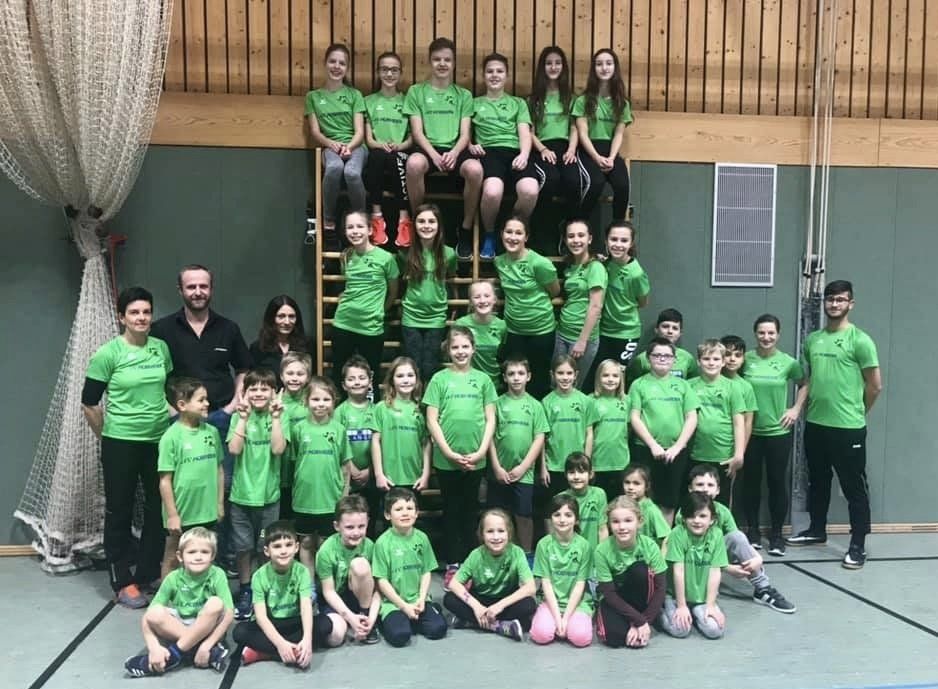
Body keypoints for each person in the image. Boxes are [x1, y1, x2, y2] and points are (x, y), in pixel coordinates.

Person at [150, 264, 252, 570]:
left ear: (211, 289)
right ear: (180, 290)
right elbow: (155, 375)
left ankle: (221, 558)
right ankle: (181, 561)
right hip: (179, 423)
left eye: (203, 286)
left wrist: (233, 405)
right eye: (191, 286)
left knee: (224, 488)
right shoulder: (162, 329)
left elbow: (244, 368)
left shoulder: (228, 329)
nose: (198, 292)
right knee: (182, 487)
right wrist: (171, 410)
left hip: (220, 419)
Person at [82, 286, 172, 608]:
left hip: (158, 441)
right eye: (134, 312)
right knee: (119, 511)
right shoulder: (108, 354)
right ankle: (121, 579)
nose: (141, 317)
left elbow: (166, 392)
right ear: (122, 317)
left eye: (146, 312)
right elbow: (89, 403)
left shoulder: (161, 348)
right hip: (120, 442)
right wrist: (107, 437)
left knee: (157, 508)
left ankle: (148, 571)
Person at [786, 280, 882, 571]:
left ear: (850, 304)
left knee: (854, 487)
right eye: (830, 299)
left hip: (848, 428)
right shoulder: (813, 340)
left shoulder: (860, 340)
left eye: (841, 300)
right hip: (816, 424)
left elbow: (875, 386)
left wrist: (858, 412)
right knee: (818, 481)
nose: (834, 304)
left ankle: (857, 544)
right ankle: (817, 530)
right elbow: (809, 379)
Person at [424, 326, 497, 581]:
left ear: (473, 349)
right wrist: (448, 452)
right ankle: (453, 564)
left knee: (470, 512)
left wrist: (480, 451)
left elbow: (490, 419)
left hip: (476, 459)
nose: (460, 351)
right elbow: (432, 419)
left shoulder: (484, 380)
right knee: (451, 512)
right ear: (448, 350)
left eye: (465, 346)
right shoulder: (439, 379)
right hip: (447, 461)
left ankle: (470, 564)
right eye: (455, 347)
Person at [404, 36, 482, 260]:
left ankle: (465, 228)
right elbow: (417, 132)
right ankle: (418, 222)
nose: (442, 64)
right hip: (428, 148)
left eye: (447, 59)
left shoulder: (464, 95)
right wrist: (434, 155)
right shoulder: (416, 92)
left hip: (455, 148)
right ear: (429, 61)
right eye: (437, 59)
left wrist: (454, 153)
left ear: (454, 63)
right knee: (413, 164)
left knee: (475, 170)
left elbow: (465, 134)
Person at [123, 527, 233, 677]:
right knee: (155, 612)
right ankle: (198, 650)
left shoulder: (217, 574)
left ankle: (173, 656)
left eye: (204, 552)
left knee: (216, 603)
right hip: (180, 626)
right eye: (192, 552)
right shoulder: (173, 578)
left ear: (212, 555)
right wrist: (154, 648)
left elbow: (229, 613)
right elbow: (148, 616)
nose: (198, 557)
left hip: (208, 628)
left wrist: (207, 644)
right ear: (180, 556)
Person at [686, 465, 796, 613]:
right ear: (690, 489)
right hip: (693, 565)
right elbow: (690, 554)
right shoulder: (685, 514)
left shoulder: (723, 512)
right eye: (700, 484)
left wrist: (758, 558)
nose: (705, 489)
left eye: (710, 485)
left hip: (715, 557)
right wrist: (727, 568)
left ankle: (763, 589)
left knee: (736, 536)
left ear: (718, 490)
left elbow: (739, 540)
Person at [742, 314, 808, 556]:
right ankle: (752, 531)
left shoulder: (788, 362)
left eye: (771, 333)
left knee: (777, 483)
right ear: (755, 334)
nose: (766, 337)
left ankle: (777, 534)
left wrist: (795, 409)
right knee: (750, 483)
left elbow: (805, 383)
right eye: (762, 332)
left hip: (778, 433)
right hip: (750, 433)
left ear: (778, 335)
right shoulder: (745, 359)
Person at [226, 369, 287, 621]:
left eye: (265, 388)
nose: (259, 393)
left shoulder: (280, 417)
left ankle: (263, 587)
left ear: (274, 392)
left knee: (264, 546)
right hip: (241, 497)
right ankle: (246, 588)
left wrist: (276, 418)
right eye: (253, 388)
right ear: (245, 392)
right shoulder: (238, 417)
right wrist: (242, 418)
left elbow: (278, 449)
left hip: (268, 498)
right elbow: (234, 449)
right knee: (243, 548)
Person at [470, 52, 540, 259]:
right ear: (483, 75)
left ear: (507, 76)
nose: (494, 75)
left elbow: (525, 133)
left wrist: (524, 155)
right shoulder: (473, 103)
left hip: (515, 152)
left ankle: (510, 228)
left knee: (530, 191)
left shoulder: (518, 103)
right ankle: (490, 233)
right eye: (490, 71)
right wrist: (472, 146)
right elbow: (464, 134)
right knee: (492, 193)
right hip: (489, 153)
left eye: (499, 71)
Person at [158, 378, 225, 579]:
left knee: (205, 555)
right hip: (182, 512)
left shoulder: (212, 432)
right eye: (201, 400)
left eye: (206, 399)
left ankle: (201, 593)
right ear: (182, 405)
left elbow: (219, 470)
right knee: (173, 556)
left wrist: (219, 503)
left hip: (208, 511)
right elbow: (165, 480)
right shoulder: (171, 437)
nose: (207, 403)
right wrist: (172, 515)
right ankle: (168, 596)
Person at [628, 337, 699, 523]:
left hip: (675, 452)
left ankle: (664, 539)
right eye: (657, 355)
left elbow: (692, 417)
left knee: (669, 501)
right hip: (646, 449)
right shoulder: (638, 384)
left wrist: (677, 447)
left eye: (667, 356)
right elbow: (634, 417)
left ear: (674, 360)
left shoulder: (683, 385)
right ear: (648, 358)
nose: (662, 359)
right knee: (643, 499)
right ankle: (644, 538)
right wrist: (653, 445)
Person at [289, 376, 352, 579]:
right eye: (315, 399)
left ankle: (327, 584)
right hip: (304, 498)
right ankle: (309, 586)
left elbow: (345, 466)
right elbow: (294, 460)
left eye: (326, 399)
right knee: (306, 542)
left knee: (326, 544)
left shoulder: (339, 430)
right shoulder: (298, 429)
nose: (320, 404)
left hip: (330, 498)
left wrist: (344, 495)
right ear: (306, 401)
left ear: (333, 402)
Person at [330, 210, 400, 389]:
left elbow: (393, 292)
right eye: (350, 227)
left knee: (370, 377)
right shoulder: (346, 256)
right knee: (340, 375)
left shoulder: (386, 258)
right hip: (343, 324)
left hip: (371, 328)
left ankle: (370, 408)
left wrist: (380, 310)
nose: (355, 231)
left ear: (369, 230)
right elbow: (350, 286)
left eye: (359, 226)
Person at [444, 508, 537, 641]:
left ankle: (471, 622)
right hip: (481, 599)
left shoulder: (517, 553)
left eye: (501, 531)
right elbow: (453, 584)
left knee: (529, 604)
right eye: (490, 531)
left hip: (505, 601)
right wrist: (477, 607)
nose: (496, 537)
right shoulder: (476, 555)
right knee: (449, 599)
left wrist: (500, 605)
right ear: (482, 534)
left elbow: (531, 587)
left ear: (509, 532)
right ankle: (498, 626)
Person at [488, 356, 549, 557]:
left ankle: (526, 554)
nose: (516, 378)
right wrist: (496, 467)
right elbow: (489, 437)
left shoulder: (535, 406)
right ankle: (503, 555)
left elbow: (539, 438)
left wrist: (523, 467)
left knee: (523, 515)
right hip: (499, 472)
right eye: (511, 374)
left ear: (528, 376)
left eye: (521, 373)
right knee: (499, 517)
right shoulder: (497, 404)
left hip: (525, 473)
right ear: (504, 377)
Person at [232, 521, 317, 666]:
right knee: (240, 632)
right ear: (267, 551)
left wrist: (307, 639)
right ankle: (290, 650)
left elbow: (306, 607)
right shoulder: (259, 576)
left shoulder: (302, 571)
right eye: (277, 546)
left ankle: (264, 653)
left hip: (294, 621)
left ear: (296, 547)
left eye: (288, 545)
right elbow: (261, 617)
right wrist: (280, 643)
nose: (284, 551)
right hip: (272, 623)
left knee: (326, 625)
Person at [494, 216, 561, 399]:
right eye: (509, 232)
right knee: (514, 378)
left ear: (526, 237)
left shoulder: (540, 263)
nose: (513, 237)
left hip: (541, 331)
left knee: (538, 380)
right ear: (502, 234)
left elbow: (554, 291)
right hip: (514, 331)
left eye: (518, 233)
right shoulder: (499, 262)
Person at [373, 487, 448, 646]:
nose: (405, 513)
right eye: (398, 509)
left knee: (439, 629)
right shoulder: (382, 543)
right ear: (387, 515)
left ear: (416, 513)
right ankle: (390, 620)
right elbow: (381, 581)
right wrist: (403, 606)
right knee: (400, 636)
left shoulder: (422, 538)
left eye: (409, 508)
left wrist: (421, 598)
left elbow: (426, 571)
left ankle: (419, 615)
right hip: (394, 604)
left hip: (418, 600)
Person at [305, 43, 367, 237]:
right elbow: (315, 131)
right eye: (333, 61)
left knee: (352, 173)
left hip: (356, 146)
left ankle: (361, 219)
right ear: (325, 63)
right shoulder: (313, 97)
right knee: (334, 168)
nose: (337, 66)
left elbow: (360, 132)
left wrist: (349, 147)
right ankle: (328, 220)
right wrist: (331, 144)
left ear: (347, 68)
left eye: (342, 63)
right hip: (330, 146)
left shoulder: (354, 95)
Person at [594, 497, 667, 648]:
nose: (622, 527)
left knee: (639, 569)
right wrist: (639, 621)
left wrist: (644, 621)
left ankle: (644, 616)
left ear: (639, 521)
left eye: (628, 520)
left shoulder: (650, 546)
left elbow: (661, 587)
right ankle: (632, 620)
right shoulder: (601, 550)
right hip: (615, 599)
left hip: (641, 599)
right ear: (609, 524)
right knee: (614, 638)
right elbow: (609, 593)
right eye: (615, 521)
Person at [571, 49, 632, 222]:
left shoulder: (622, 103)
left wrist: (611, 158)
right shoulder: (583, 101)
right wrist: (596, 157)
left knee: (623, 185)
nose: (604, 68)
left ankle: (617, 228)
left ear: (615, 67)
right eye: (599, 64)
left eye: (608, 63)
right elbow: (582, 133)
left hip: (610, 151)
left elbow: (619, 134)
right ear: (594, 69)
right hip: (588, 151)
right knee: (595, 183)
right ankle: (578, 225)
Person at [658, 491, 727, 639]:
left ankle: (695, 613)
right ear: (683, 518)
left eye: (702, 516)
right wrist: (682, 606)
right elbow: (678, 571)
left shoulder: (717, 535)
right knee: (680, 630)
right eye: (691, 516)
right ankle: (659, 613)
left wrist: (710, 605)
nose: (696, 520)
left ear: (712, 519)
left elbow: (715, 572)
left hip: (701, 598)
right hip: (676, 596)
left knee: (715, 631)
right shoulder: (677, 533)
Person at [400, 204, 457, 382]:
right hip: (411, 317)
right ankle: (413, 399)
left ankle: (429, 400)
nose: (426, 225)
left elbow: (451, 276)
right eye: (421, 221)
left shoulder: (449, 253)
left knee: (430, 367)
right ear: (414, 225)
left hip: (436, 318)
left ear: (439, 225)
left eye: (431, 221)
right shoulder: (405, 253)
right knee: (414, 367)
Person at [529, 494, 594, 647]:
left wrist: (565, 619)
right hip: (551, 602)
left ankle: (574, 622)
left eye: (568, 515)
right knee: (541, 635)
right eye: (557, 515)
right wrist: (558, 618)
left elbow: (580, 585)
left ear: (576, 519)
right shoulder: (543, 544)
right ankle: (553, 622)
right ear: (551, 518)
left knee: (581, 638)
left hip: (577, 603)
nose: (562, 519)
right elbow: (545, 583)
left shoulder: (584, 546)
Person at [528, 46, 582, 228]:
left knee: (574, 181)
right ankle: (542, 228)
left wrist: (571, 150)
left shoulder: (571, 98)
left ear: (563, 67)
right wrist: (542, 149)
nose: (553, 67)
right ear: (542, 67)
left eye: (557, 63)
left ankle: (569, 228)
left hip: (566, 149)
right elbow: (529, 131)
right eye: (549, 63)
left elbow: (574, 127)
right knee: (550, 179)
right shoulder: (533, 99)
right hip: (541, 149)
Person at [316, 496, 381, 645]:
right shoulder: (326, 551)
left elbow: (379, 589)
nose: (356, 532)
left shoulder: (370, 547)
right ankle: (352, 620)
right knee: (336, 638)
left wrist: (371, 619)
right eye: (349, 527)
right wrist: (350, 618)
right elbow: (328, 591)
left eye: (361, 526)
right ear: (337, 526)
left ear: (368, 523)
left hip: (362, 598)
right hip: (336, 600)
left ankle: (364, 617)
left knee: (360, 564)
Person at [364, 51, 413, 247]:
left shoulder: (408, 101)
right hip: (378, 151)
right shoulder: (368, 101)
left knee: (395, 158)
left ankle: (404, 219)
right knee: (376, 157)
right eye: (385, 69)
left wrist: (401, 145)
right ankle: (377, 217)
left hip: (400, 152)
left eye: (394, 70)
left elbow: (412, 136)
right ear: (378, 72)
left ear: (400, 73)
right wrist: (380, 145)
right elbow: (369, 139)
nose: (389, 74)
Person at [688, 339, 746, 504]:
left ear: (723, 362)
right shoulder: (688, 386)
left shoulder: (733, 387)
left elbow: (739, 422)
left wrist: (739, 454)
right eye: (706, 359)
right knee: (695, 501)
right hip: (695, 453)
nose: (711, 363)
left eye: (716, 359)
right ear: (698, 361)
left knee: (721, 502)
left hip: (723, 455)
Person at [592, 221, 649, 382]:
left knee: (615, 378)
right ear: (606, 241)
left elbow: (643, 303)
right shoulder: (605, 264)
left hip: (626, 333)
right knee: (599, 376)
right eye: (613, 239)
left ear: (631, 243)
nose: (618, 244)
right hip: (603, 331)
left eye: (624, 240)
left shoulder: (636, 274)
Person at [554, 219, 606, 389]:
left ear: (589, 239)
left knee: (572, 386)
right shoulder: (570, 265)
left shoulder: (595, 267)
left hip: (582, 338)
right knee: (556, 385)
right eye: (571, 236)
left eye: (581, 235)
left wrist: (582, 341)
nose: (576, 240)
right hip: (562, 333)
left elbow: (596, 306)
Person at [371, 357, 431, 496]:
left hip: (415, 478)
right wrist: (379, 474)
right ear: (392, 380)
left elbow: (426, 444)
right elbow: (375, 441)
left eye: (410, 375)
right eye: (400, 376)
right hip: (388, 479)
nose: (406, 380)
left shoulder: (421, 409)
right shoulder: (382, 407)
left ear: (417, 379)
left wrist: (425, 474)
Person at [540, 356, 596, 502]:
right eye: (560, 373)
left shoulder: (586, 401)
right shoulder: (546, 402)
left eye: (569, 373)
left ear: (576, 375)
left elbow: (589, 434)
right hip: (555, 466)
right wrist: (543, 467)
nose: (565, 377)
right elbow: (542, 439)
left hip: (579, 467)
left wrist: (587, 463)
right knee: (555, 507)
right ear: (552, 374)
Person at [335, 356, 377, 513]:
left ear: (370, 382)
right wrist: (351, 468)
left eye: (362, 378)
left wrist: (370, 470)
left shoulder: (378, 411)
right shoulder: (339, 412)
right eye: (351, 379)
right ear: (344, 385)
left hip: (371, 475)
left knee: (371, 517)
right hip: (347, 476)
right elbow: (337, 445)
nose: (357, 382)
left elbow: (382, 445)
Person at [249, 295, 313, 388]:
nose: (287, 322)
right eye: (281, 316)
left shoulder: (308, 344)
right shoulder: (258, 347)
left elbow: (313, 379)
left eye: (291, 316)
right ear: (271, 319)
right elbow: (253, 382)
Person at [454, 280, 507, 389]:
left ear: (494, 299)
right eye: (477, 297)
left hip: (494, 385)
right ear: (470, 302)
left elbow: (504, 357)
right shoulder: (461, 324)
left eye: (487, 296)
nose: (482, 301)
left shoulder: (502, 326)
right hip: (467, 384)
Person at [590, 359, 631, 498]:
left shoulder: (627, 401)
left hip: (621, 463)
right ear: (598, 377)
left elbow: (629, 429)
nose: (610, 379)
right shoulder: (590, 401)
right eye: (606, 375)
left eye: (615, 376)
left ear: (621, 378)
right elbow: (587, 434)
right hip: (597, 463)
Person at [279, 352, 313, 520]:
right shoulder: (274, 402)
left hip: (303, 467)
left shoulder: (312, 402)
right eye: (290, 373)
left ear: (308, 377)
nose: (294, 378)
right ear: (281, 375)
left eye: (300, 374)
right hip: (279, 468)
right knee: (282, 515)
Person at [626, 308, 697, 385]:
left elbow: (692, 385)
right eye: (665, 326)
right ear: (656, 329)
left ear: (680, 333)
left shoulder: (687, 358)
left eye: (675, 328)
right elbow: (632, 386)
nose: (670, 331)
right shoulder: (641, 359)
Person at [560, 452, 608, 550]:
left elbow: (602, 529)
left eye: (581, 472)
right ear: (565, 475)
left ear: (591, 474)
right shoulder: (561, 498)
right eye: (571, 472)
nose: (576, 477)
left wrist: (601, 554)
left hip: (594, 553)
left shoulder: (599, 494)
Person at [621, 464, 671, 546]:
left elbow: (667, 537)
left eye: (636, 483)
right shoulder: (622, 506)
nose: (630, 487)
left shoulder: (651, 510)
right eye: (627, 482)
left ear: (647, 486)